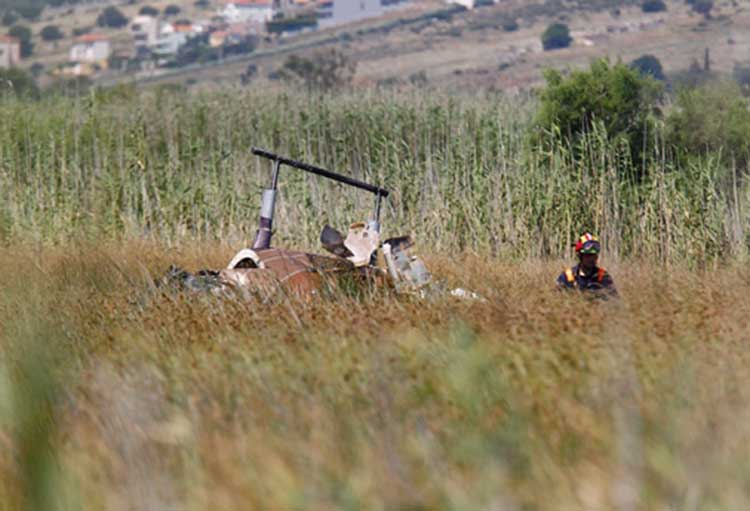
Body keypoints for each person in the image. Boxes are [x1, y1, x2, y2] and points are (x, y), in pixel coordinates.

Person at [556, 232, 617, 297]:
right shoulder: (567, 277)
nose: (592, 259)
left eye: (594, 255)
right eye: (588, 255)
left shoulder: (603, 277)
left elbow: (615, 302)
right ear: (580, 256)